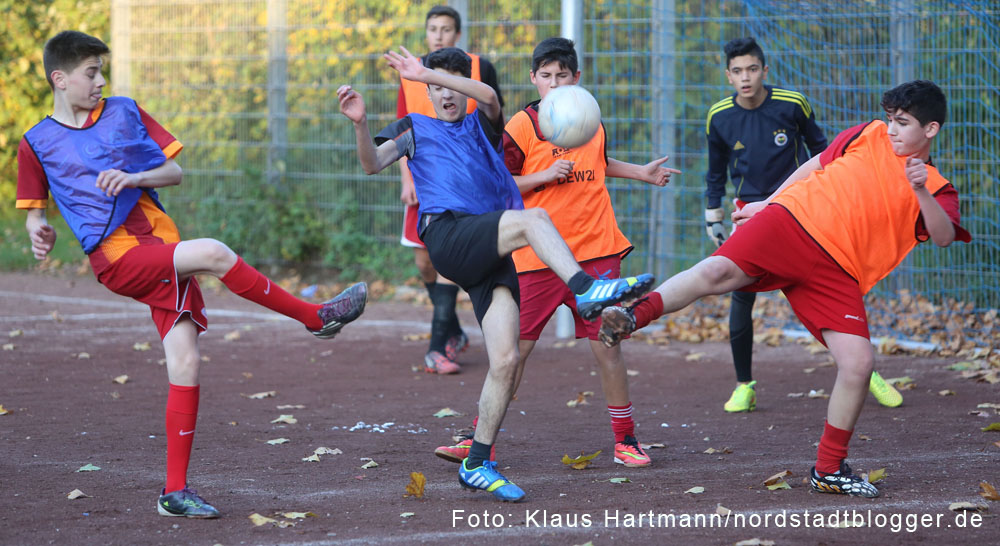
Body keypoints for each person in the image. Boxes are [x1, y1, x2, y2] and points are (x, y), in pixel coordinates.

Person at [15, 31, 368, 518]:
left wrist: (135, 176)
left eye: (101, 71)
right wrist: (41, 231)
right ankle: (315, 317)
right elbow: (35, 213)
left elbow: (174, 173)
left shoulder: (123, 111)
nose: (101, 81)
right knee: (217, 253)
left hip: (161, 247)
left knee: (186, 364)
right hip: (117, 258)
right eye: (90, 72)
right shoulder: (34, 143)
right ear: (60, 78)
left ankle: (173, 493)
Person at [599, 80, 970, 497]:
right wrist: (769, 201)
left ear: (931, 129)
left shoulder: (936, 186)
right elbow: (815, 165)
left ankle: (828, 469)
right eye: (890, 120)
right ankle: (632, 315)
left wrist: (919, 189)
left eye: (902, 123)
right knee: (717, 273)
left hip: (837, 270)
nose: (891, 130)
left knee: (859, 364)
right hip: (793, 220)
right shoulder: (867, 133)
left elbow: (941, 235)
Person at [338, 45, 654, 502]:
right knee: (535, 220)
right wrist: (361, 123)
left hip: (490, 249)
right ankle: (586, 290)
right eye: (434, 88)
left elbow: (486, 94)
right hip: (449, 233)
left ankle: (476, 462)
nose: (445, 96)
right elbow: (370, 164)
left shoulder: (481, 122)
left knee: (505, 361)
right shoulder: (413, 128)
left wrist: (434, 74)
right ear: (425, 91)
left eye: (451, 86)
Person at [433, 37, 679, 469]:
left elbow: (598, 163)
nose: (553, 83)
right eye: (545, 76)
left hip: (596, 248)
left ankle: (626, 439)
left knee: (608, 345)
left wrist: (639, 172)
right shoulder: (522, 125)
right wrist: (545, 175)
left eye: (561, 75)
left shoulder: (588, 115)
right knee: (513, 353)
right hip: (536, 257)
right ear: (533, 79)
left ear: (575, 78)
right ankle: (477, 435)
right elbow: (498, 185)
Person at [705, 37, 903, 413]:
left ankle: (862, 368)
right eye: (737, 71)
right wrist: (713, 214)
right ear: (727, 75)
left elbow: (824, 153)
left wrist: (833, 201)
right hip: (749, 216)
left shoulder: (792, 104)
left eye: (752, 69)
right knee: (740, 296)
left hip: (801, 213)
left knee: (824, 293)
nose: (745, 77)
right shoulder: (719, 116)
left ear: (765, 71)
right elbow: (715, 171)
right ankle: (744, 385)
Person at [396, 5, 505, 374]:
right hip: (423, 173)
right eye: (433, 29)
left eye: (446, 29)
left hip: (462, 180)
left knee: (449, 257)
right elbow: (401, 127)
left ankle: (437, 344)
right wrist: (405, 179)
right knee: (425, 262)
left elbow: (492, 105)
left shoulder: (479, 66)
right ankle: (453, 330)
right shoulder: (411, 72)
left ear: (457, 35)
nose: (439, 35)